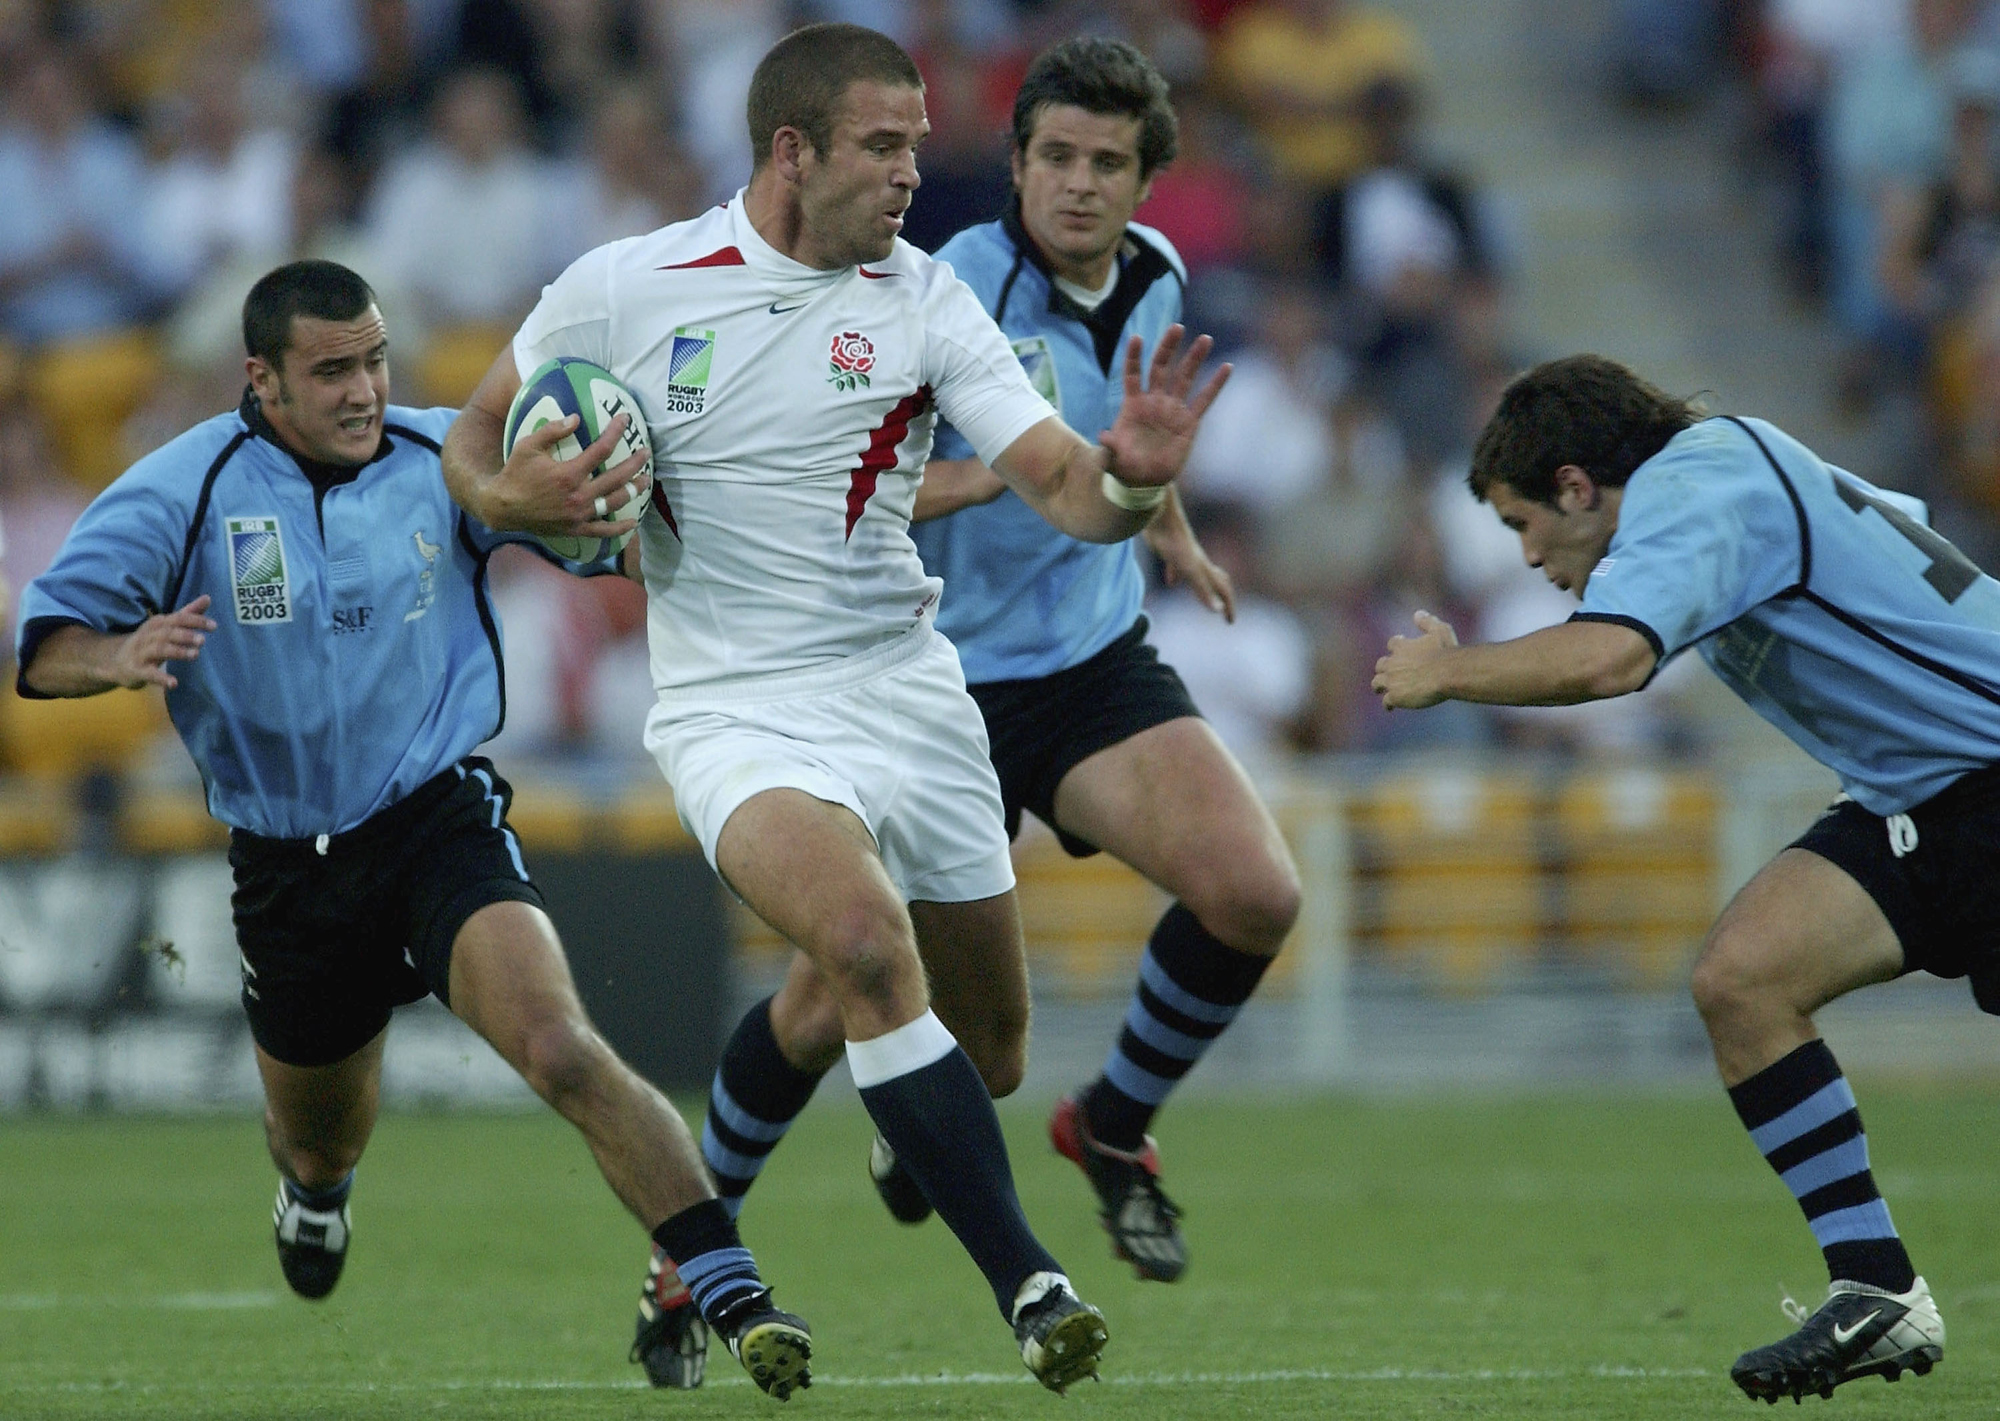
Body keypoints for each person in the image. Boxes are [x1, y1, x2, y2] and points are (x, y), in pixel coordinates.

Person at [439, 22, 1227, 1393]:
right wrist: (515, 502)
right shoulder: (629, 284)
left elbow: (1059, 482)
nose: (918, 169)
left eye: (919, 141)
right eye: (885, 144)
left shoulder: (925, 300)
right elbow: (470, 442)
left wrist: (1137, 485)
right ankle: (1032, 1286)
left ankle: (690, 1246)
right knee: (865, 947)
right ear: (793, 152)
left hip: (909, 694)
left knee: (979, 1048)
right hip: (734, 705)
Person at [15, 259, 811, 1402]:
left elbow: (595, 535)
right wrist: (120, 654)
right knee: (320, 1141)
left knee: (560, 1047)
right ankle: (316, 1194)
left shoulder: (446, 459)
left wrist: (589, 509)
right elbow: (42, 647)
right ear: (263, 378)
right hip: (286, 863)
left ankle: (734, 1294)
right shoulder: (180, 491)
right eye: (332, 369)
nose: (363, 389)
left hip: (437, 820)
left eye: (376, 359)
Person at [1371, 353, 1976, 1403]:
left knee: (1746, 972)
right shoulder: (1733, 470)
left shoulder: (1693, 485)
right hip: (1919, 792)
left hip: (1979, 776)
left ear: (1575, 484)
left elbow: (1607, 660)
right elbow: (1897, 523)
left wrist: (1450, 670)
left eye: (1524, 523)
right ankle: (1873, 1285)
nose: (1524, 554)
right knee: (1742, 975)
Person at [892, 36, 1298, 1284]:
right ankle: (691, 1251)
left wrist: (1163, 519)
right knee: (836, 1001)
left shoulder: (1159, 276)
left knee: (1254, 892)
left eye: (1107, 162)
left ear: (1142, 182)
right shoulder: (936, 289)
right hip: (931, 681)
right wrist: (1026, 474)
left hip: (1084, 656)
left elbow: (1127, 436)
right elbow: (868, 489)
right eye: (1055, 156)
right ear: (1013, 164)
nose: (1078, 182)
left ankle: (1111, 1123)